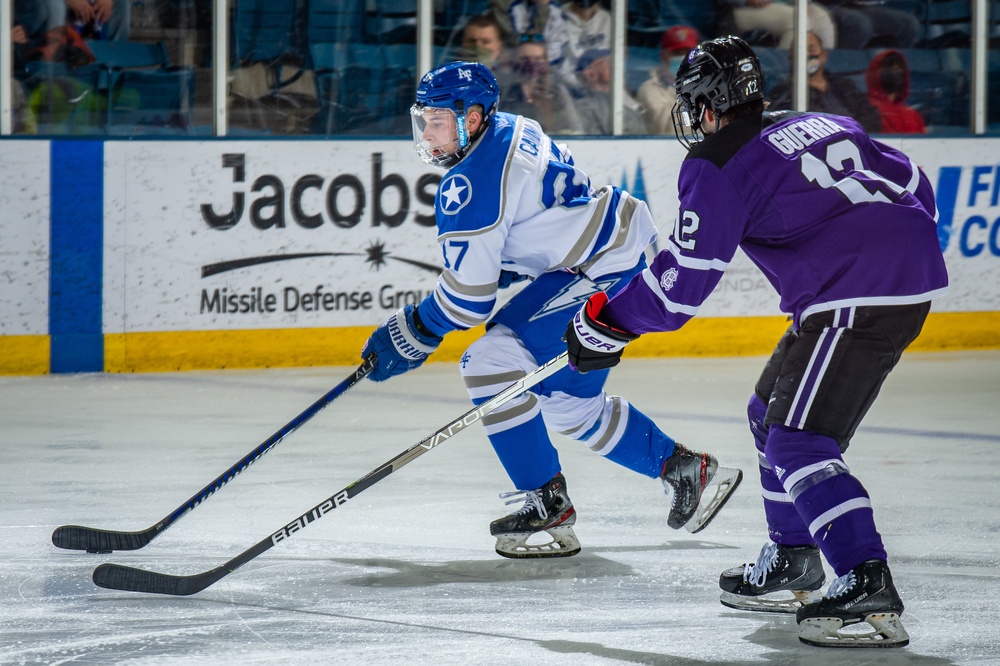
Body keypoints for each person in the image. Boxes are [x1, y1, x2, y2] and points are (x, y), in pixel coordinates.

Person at [564, 36, 948, 647]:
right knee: (769, 416)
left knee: (801, 441)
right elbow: (913, 180)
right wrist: (898, 249)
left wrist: (605, 319)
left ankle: (865, 581)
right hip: (873, 285)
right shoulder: (821, 119)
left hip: (855, 294)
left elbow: (682, 287)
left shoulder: (716, 164)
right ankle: (794, 555)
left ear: (707, 104)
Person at [360, 61, 743, 560]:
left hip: (603, 270)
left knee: (491, 363)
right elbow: (538, 219)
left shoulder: (468, 187)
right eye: (424, 121)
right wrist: (507, 266)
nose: (428, 135)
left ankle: (547, 505)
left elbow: (467, 301)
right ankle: (685, 470)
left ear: (472, 118)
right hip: (617, 249)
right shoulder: (513, 125)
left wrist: (412, 331)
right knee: (568, 405)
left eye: (438, 121)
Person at [768, 31, 881, 133]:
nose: (806, 55)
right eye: (800, 51)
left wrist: (853, 135)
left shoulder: (844, 86)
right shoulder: (783, 93)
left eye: (811, 49)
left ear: (824, 56)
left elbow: (869, 117)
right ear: (791, 59)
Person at [501, 34, 584, 134]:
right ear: (515, 61)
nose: (531, 64)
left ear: (545, 61)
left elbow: (576, 128)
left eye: (537, 59)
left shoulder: (557, 92)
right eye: (524, 59)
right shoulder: (506, 94)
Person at [636, 25, 700, 135]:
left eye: (688, 52)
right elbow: (668, 129)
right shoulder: (649, 89)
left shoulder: (707, 84)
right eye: (677, 53)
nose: (683, 57)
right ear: (663, 56)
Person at [574, 48, 648, 134]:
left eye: (616, 61)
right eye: (607, 62)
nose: (616, 66)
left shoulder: (622, 99)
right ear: (590, 74)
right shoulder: (584, 107)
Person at [718, 0, 836, 51]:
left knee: (821, 19)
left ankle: (821, 74)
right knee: (796, 20)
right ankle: (786, 77)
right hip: (744, 8)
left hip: (787, 5)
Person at [815, 0, 921, 49]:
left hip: (853, 5)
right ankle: (837, 73)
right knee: (860, 25)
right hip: (821, 4)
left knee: (909, 25)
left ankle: (885, 75)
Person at [866, 50, 926, 134]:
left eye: (898, 69)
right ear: (875, 73)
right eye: (888, 68)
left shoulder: (913, 116)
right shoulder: (866, 111)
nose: (894, 72)